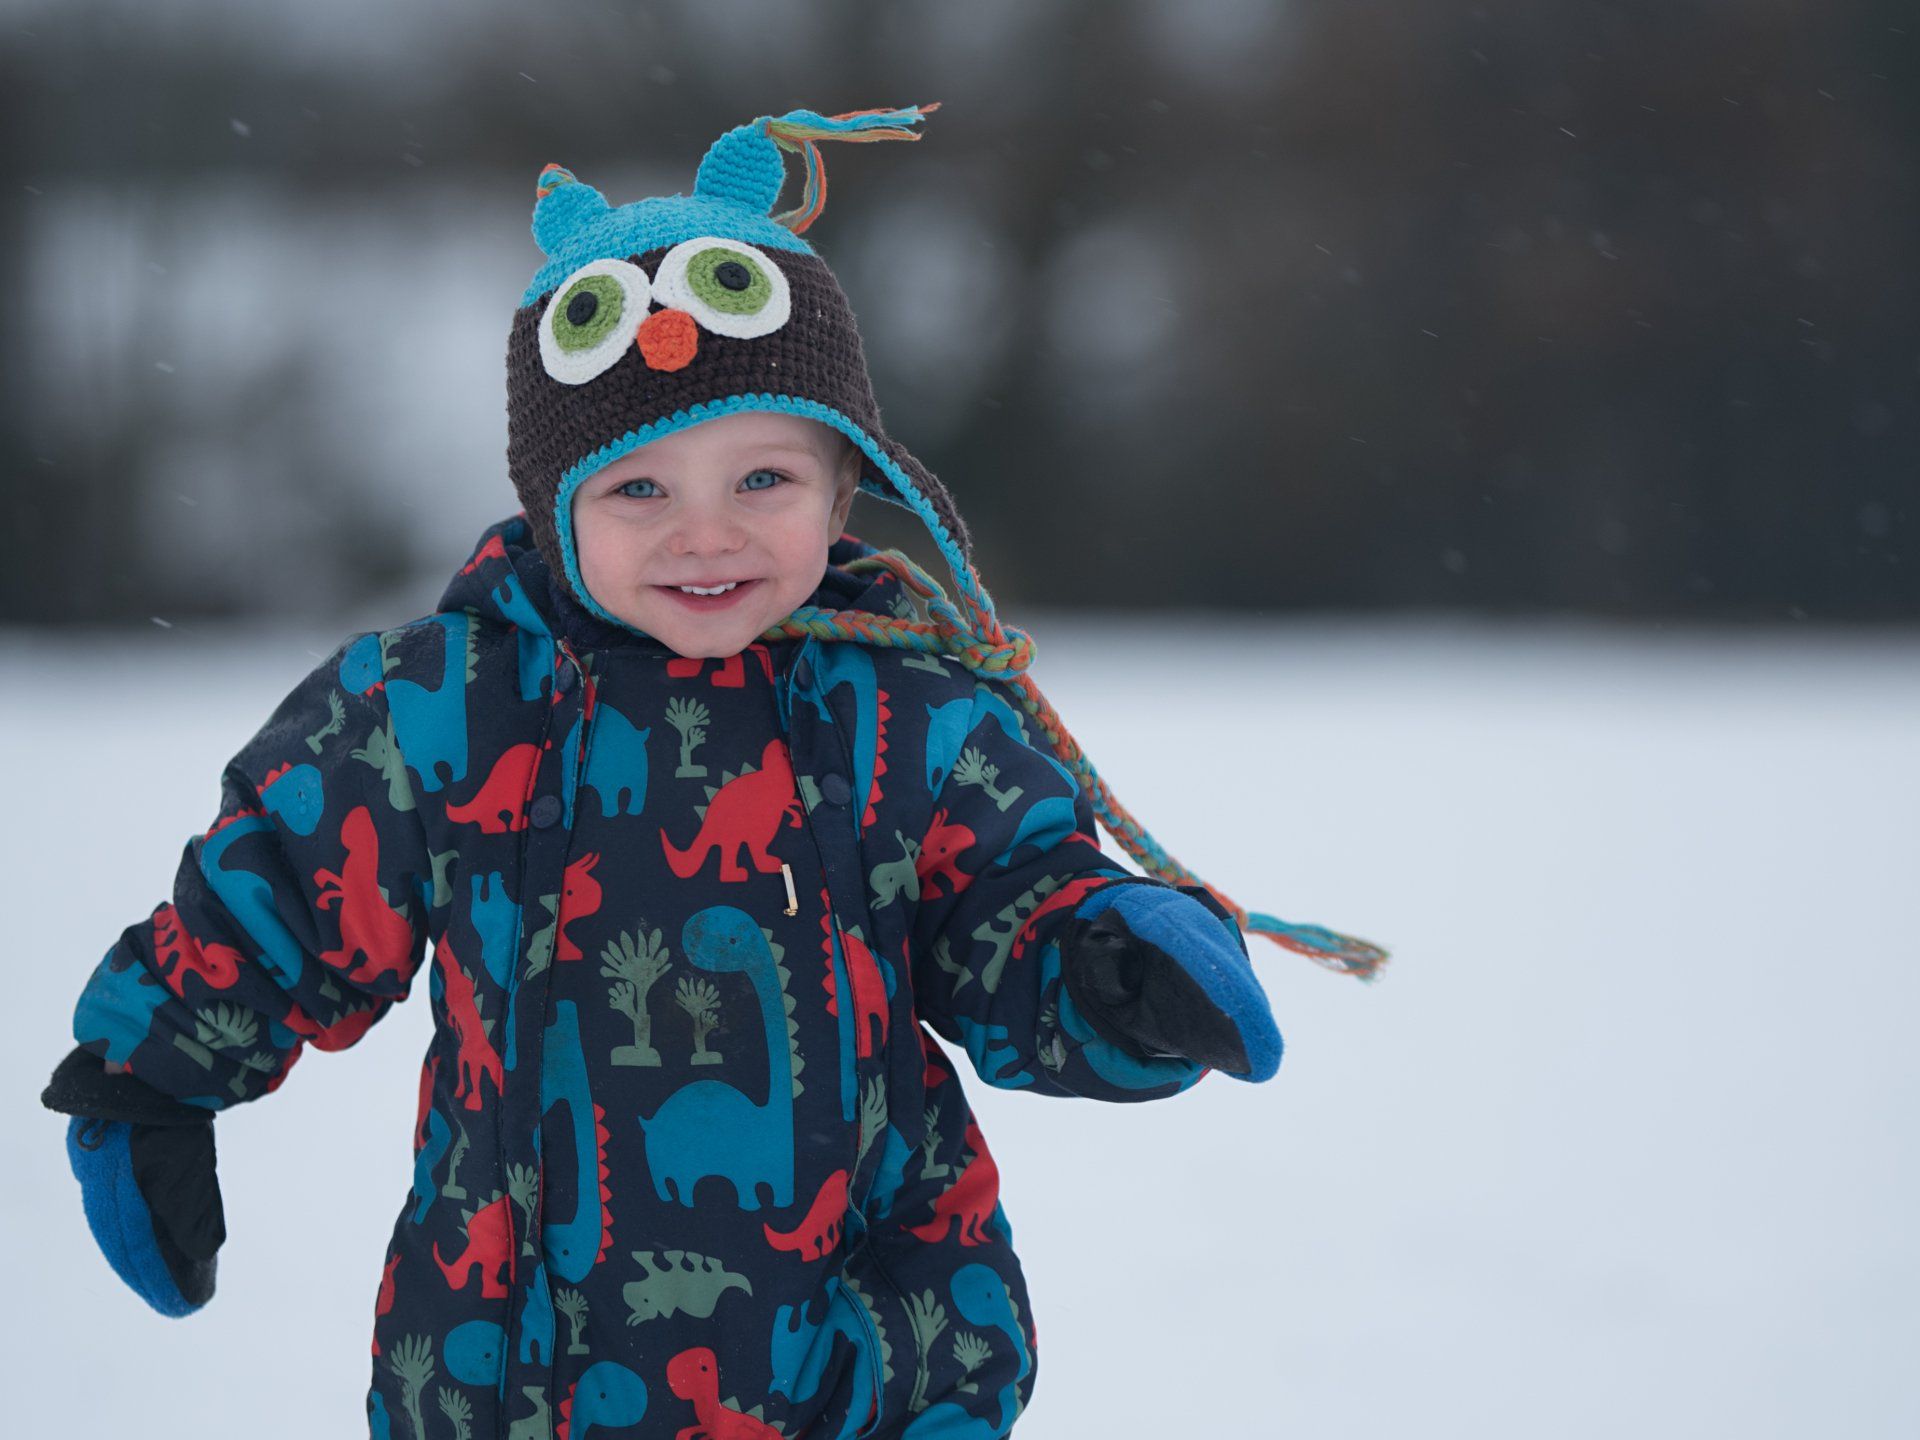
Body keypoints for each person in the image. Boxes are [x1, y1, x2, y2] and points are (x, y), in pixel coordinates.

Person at [41, 104, 1383, 1439]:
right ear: (554, 506)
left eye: (764, 479)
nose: (707, 534)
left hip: (867, 1352)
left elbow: (1008, 903)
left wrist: (1110, 966)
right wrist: (151, 1075)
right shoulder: (446, 711)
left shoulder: (898, 711)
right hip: (515, 1371)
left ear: (845, 489)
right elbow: (276, 892)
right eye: (638, 491)